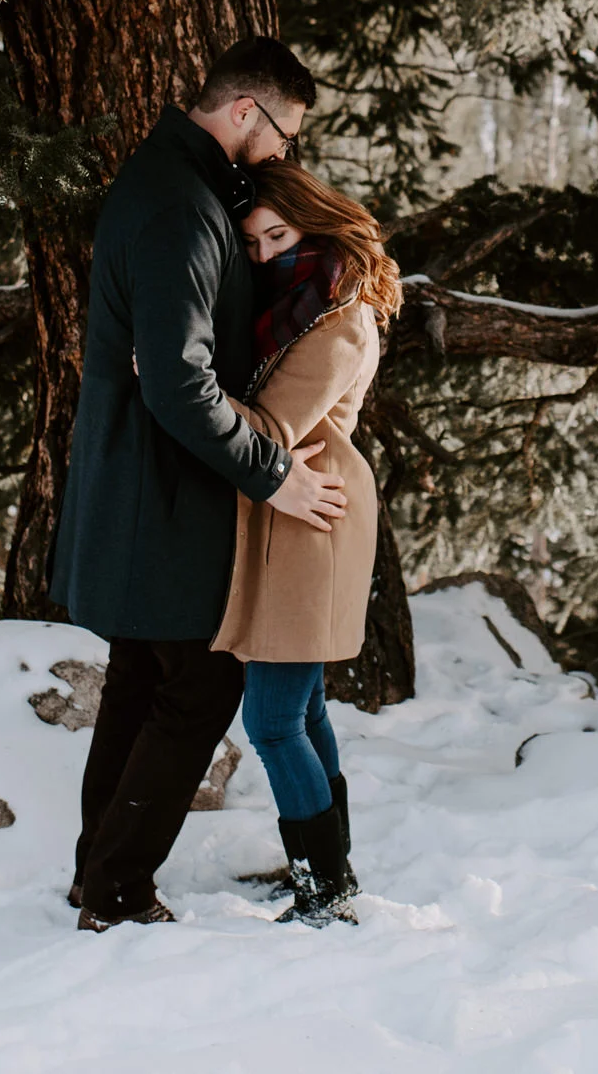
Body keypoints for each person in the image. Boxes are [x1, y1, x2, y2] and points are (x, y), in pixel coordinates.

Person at [52, 37, 351, 932]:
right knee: (199, 685)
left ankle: (99, 877)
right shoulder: (181, 204)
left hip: (151, 478)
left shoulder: (175, 185)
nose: (285, 152)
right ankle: (115, 891)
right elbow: (180, 385)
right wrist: (274, 476)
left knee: (143, 679)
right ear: (245, 111)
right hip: (164, 490)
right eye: (285, 133)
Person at [212, 162, 400, 926]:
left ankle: (325, 886)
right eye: (252, 243)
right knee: (305, 707)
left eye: (278, 236)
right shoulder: (299, 302)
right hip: (294, 512)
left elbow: (269, 429)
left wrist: (177, 382)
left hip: (311, 518)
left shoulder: (337, 319)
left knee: (272, 721)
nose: (263, 255)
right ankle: (328, 864)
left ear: (313, 224)